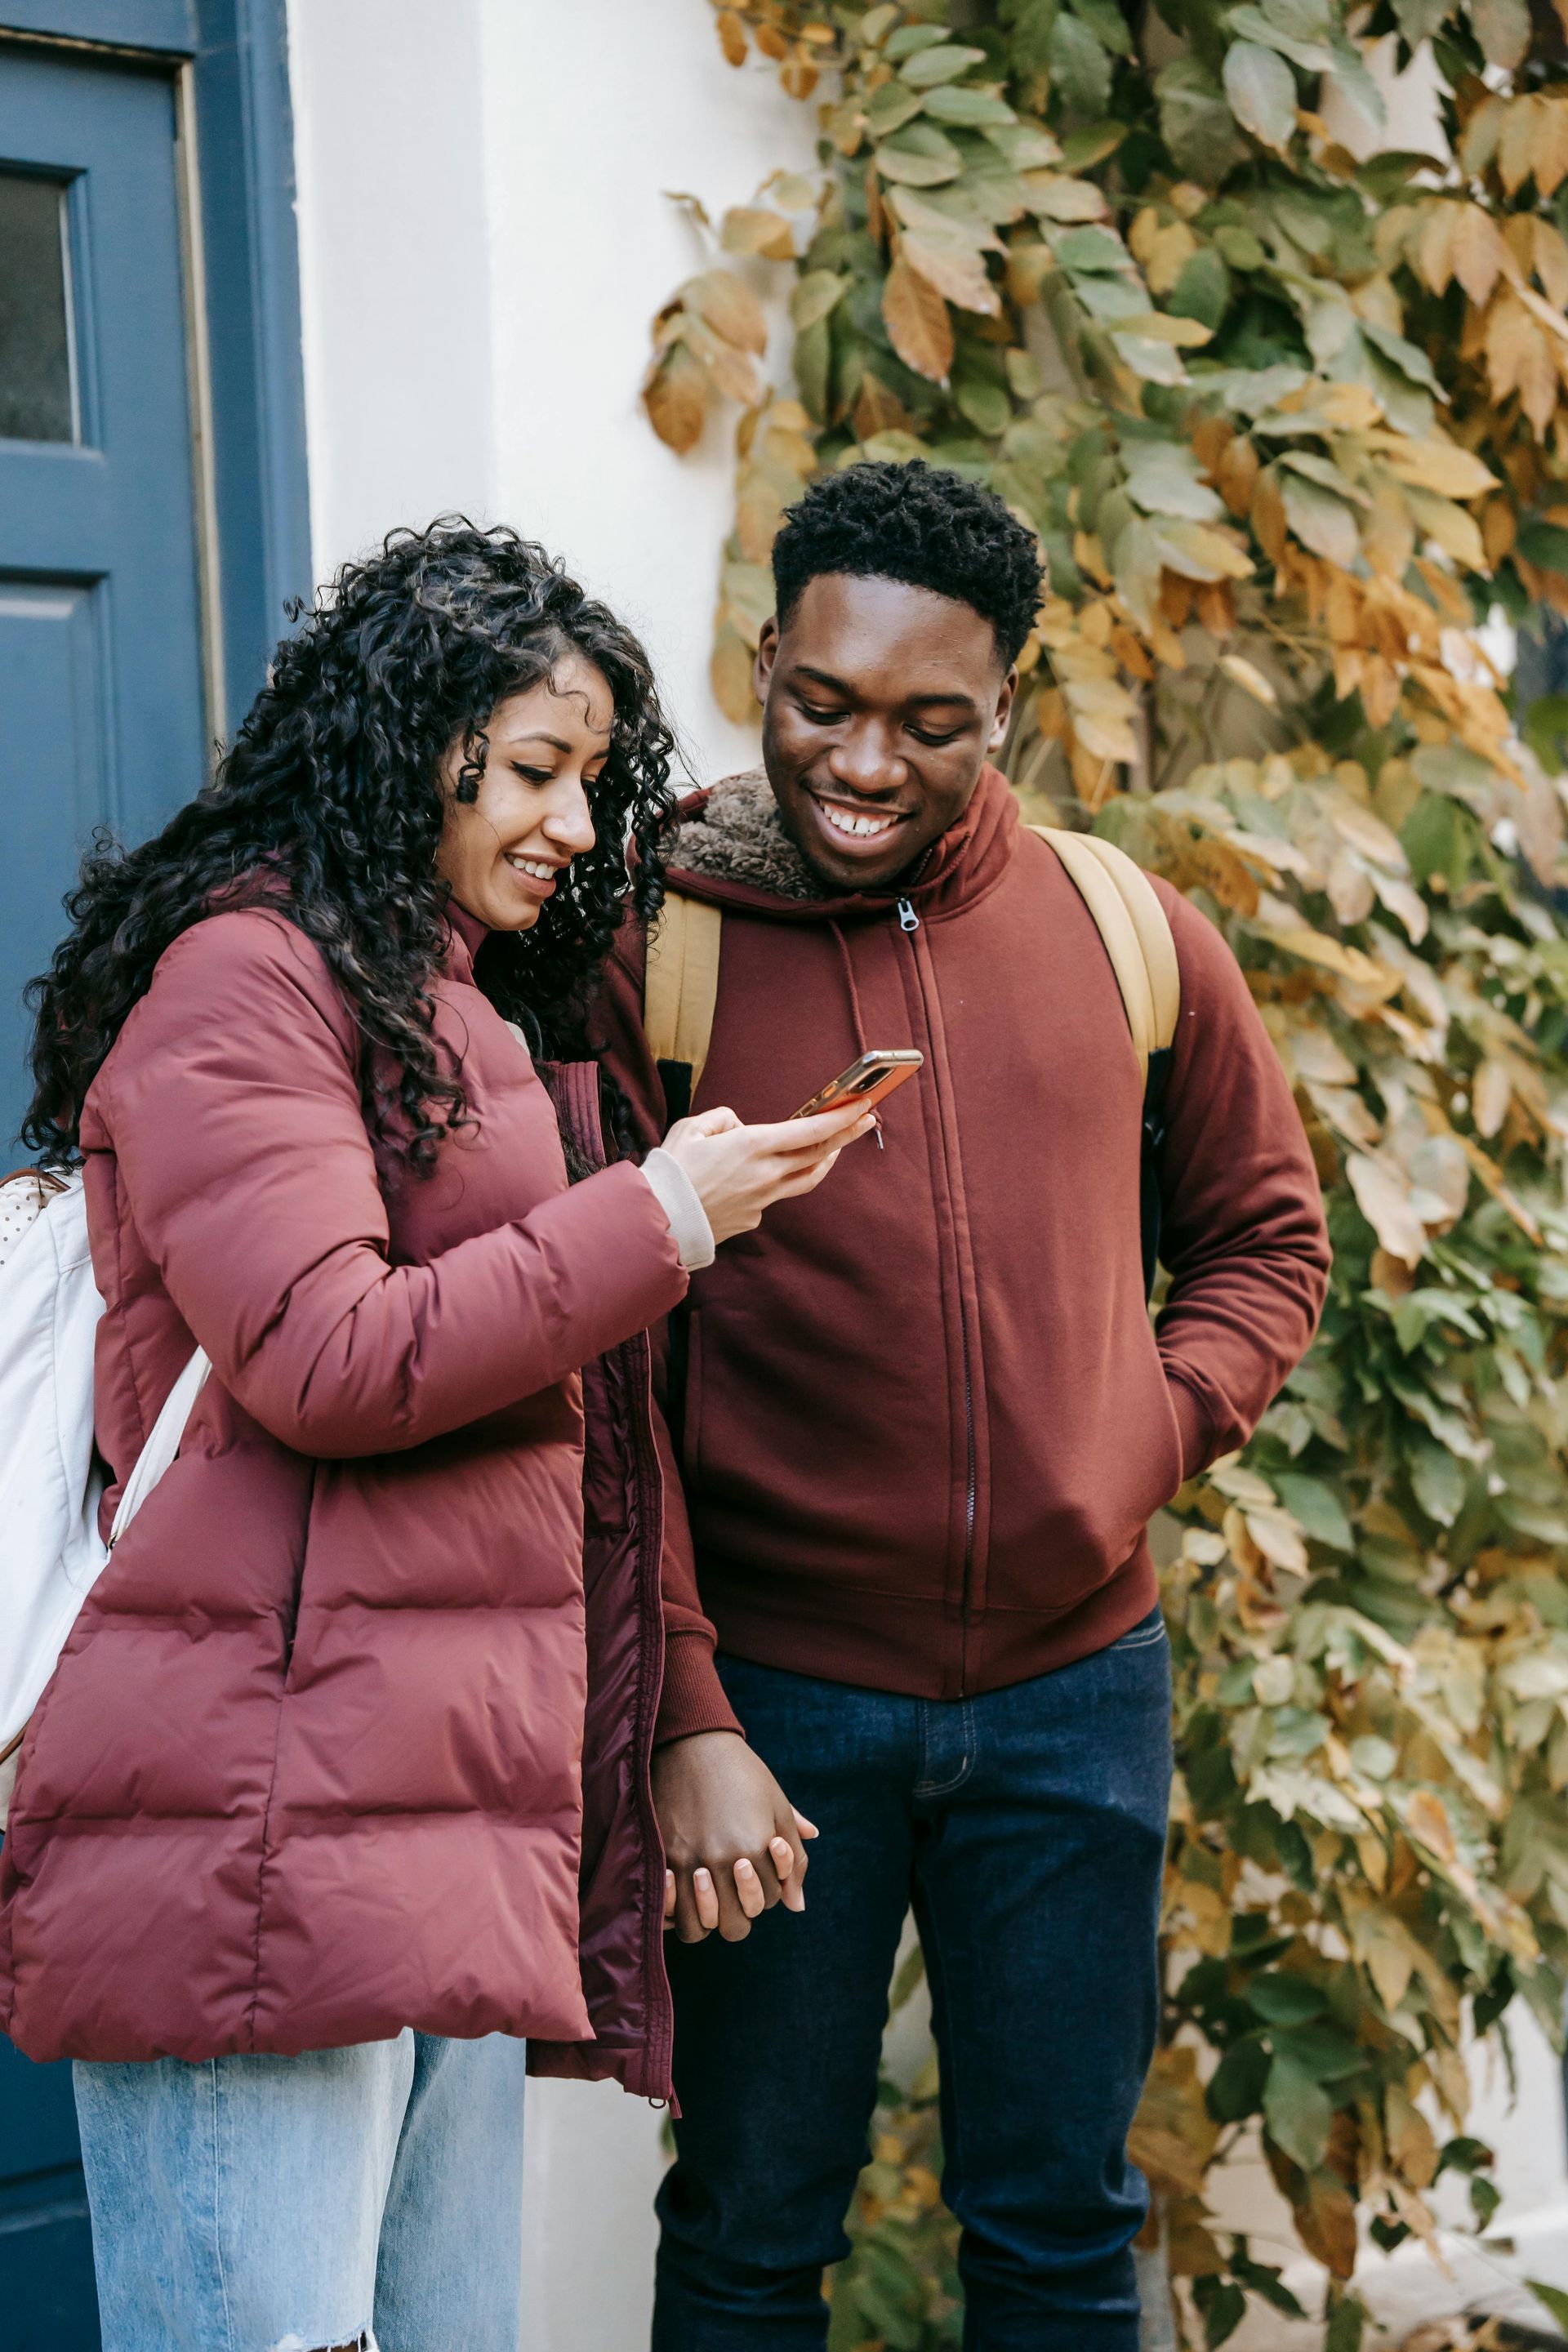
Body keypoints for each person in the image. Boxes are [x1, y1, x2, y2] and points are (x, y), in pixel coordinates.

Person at [0, 522, 867, 2352]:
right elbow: (326, 1353)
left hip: (436, 1812)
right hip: (255, 1820)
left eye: (591, 780)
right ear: (408, 743)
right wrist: (662, 1218)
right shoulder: (248, 979)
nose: (571, 822)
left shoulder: (457, 999)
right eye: (535, 770)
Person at [595, 462, 1333, 2350]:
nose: (862, 759)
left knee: (1062, 2236)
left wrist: (1135, 1445)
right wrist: (684, 1701)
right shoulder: (649, 942)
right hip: (772, 1705)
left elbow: (1266, 1238)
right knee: (755, 2232)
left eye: (930, 723)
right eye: (821, 702)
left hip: (1078, 1692)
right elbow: (601, 1386)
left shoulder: (1126, 930)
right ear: (762, 659)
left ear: (1009, 707)